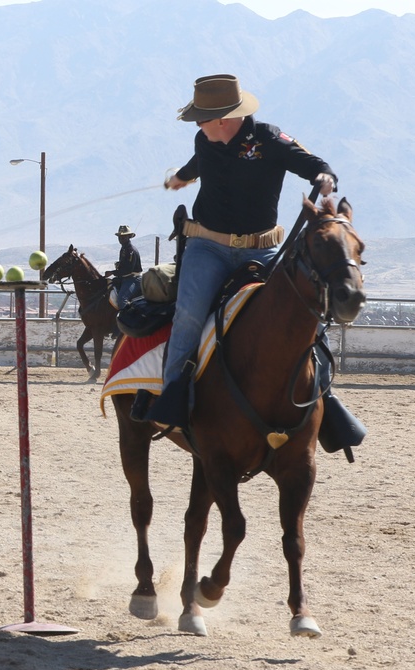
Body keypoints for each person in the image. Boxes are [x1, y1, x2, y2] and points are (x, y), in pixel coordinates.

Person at [137, 73, 336, 431]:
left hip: (262, 251)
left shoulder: (270, 139)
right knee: (189, 316)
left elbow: (311, 163)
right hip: (207, 248)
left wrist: (324, 177)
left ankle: (324, 401)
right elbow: (201, 161)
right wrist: (182, 177)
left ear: (223, 120)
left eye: (200, 118)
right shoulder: (205, 139)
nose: (197, 124)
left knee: (307, 318)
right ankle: (174, 397)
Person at [107, 224, 143, 308]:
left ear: (129, 237)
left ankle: (127, 319)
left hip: (133, 279)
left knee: (122, 299)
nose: (121, 238)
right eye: (120, 236)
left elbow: (128, 270)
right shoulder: (123, 249)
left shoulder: (131, 250)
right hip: (125, 278)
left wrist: (112, 272)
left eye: (123, 236)